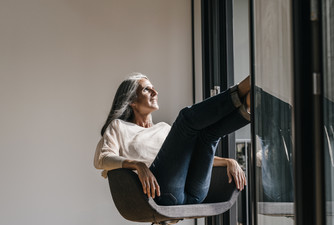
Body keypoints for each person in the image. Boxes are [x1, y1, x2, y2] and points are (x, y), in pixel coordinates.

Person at [94, 73, 251, 206]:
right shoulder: (119, 127)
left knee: (208, 136)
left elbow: (189, 156)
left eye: (153, 88)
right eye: (147, 89)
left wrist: (228, 161)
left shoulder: (163, 128)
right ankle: (243, 88)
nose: (155, 92)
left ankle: (249, 106)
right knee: (186, 119)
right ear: (132, 101)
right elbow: (102, 158)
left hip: (194, 193)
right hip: (159, 193)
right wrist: (137, 165)